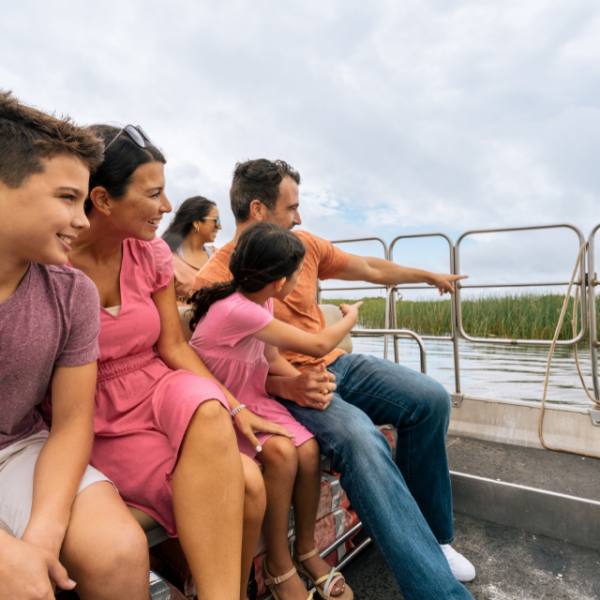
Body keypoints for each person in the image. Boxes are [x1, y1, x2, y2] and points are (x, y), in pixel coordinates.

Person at [194, 159, 476, 600]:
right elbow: (216, 364)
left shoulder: (300, 246)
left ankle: (433, 541)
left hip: (333, 363)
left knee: (431, 398)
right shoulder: (216, 280)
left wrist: (428, 276)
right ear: (258, 209)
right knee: (363, 440)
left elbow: (369, 268)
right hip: (284, 389)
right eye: (292, 208)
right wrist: (284, 385)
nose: (300, 218)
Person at [66, 127, 291, 600]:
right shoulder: (54, 263)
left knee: (212, 408)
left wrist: (235, 404)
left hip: (157, 382)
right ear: (103, 199)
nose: (168, 207)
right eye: (154, 193)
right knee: (248, 481)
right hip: (97, 407)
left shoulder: (149, 256)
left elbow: (173, 345)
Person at [0, 92, 150, 600]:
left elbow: (70, 421)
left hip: (18, 448)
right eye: (66, 198)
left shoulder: (71, 293)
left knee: (119, 552)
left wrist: (42, 535)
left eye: (83, 200)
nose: (84, 220)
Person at [189, 222, 361, 600]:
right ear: (281, 280)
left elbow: (268, 358)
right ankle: (279, 564)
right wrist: (350, 316)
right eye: (299, 272)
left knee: (309, 448)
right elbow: (318, 344)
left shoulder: (259, 301)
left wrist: (302, 384)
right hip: (219, 402)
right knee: (283, 454)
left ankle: (306, 551)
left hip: (253, 393)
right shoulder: (235, 309)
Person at [162, 195, 222, 305]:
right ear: (197, 222)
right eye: (216, 221)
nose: (220, 227)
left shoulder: (221, 257)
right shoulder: (167, 261)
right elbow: (165, 307)